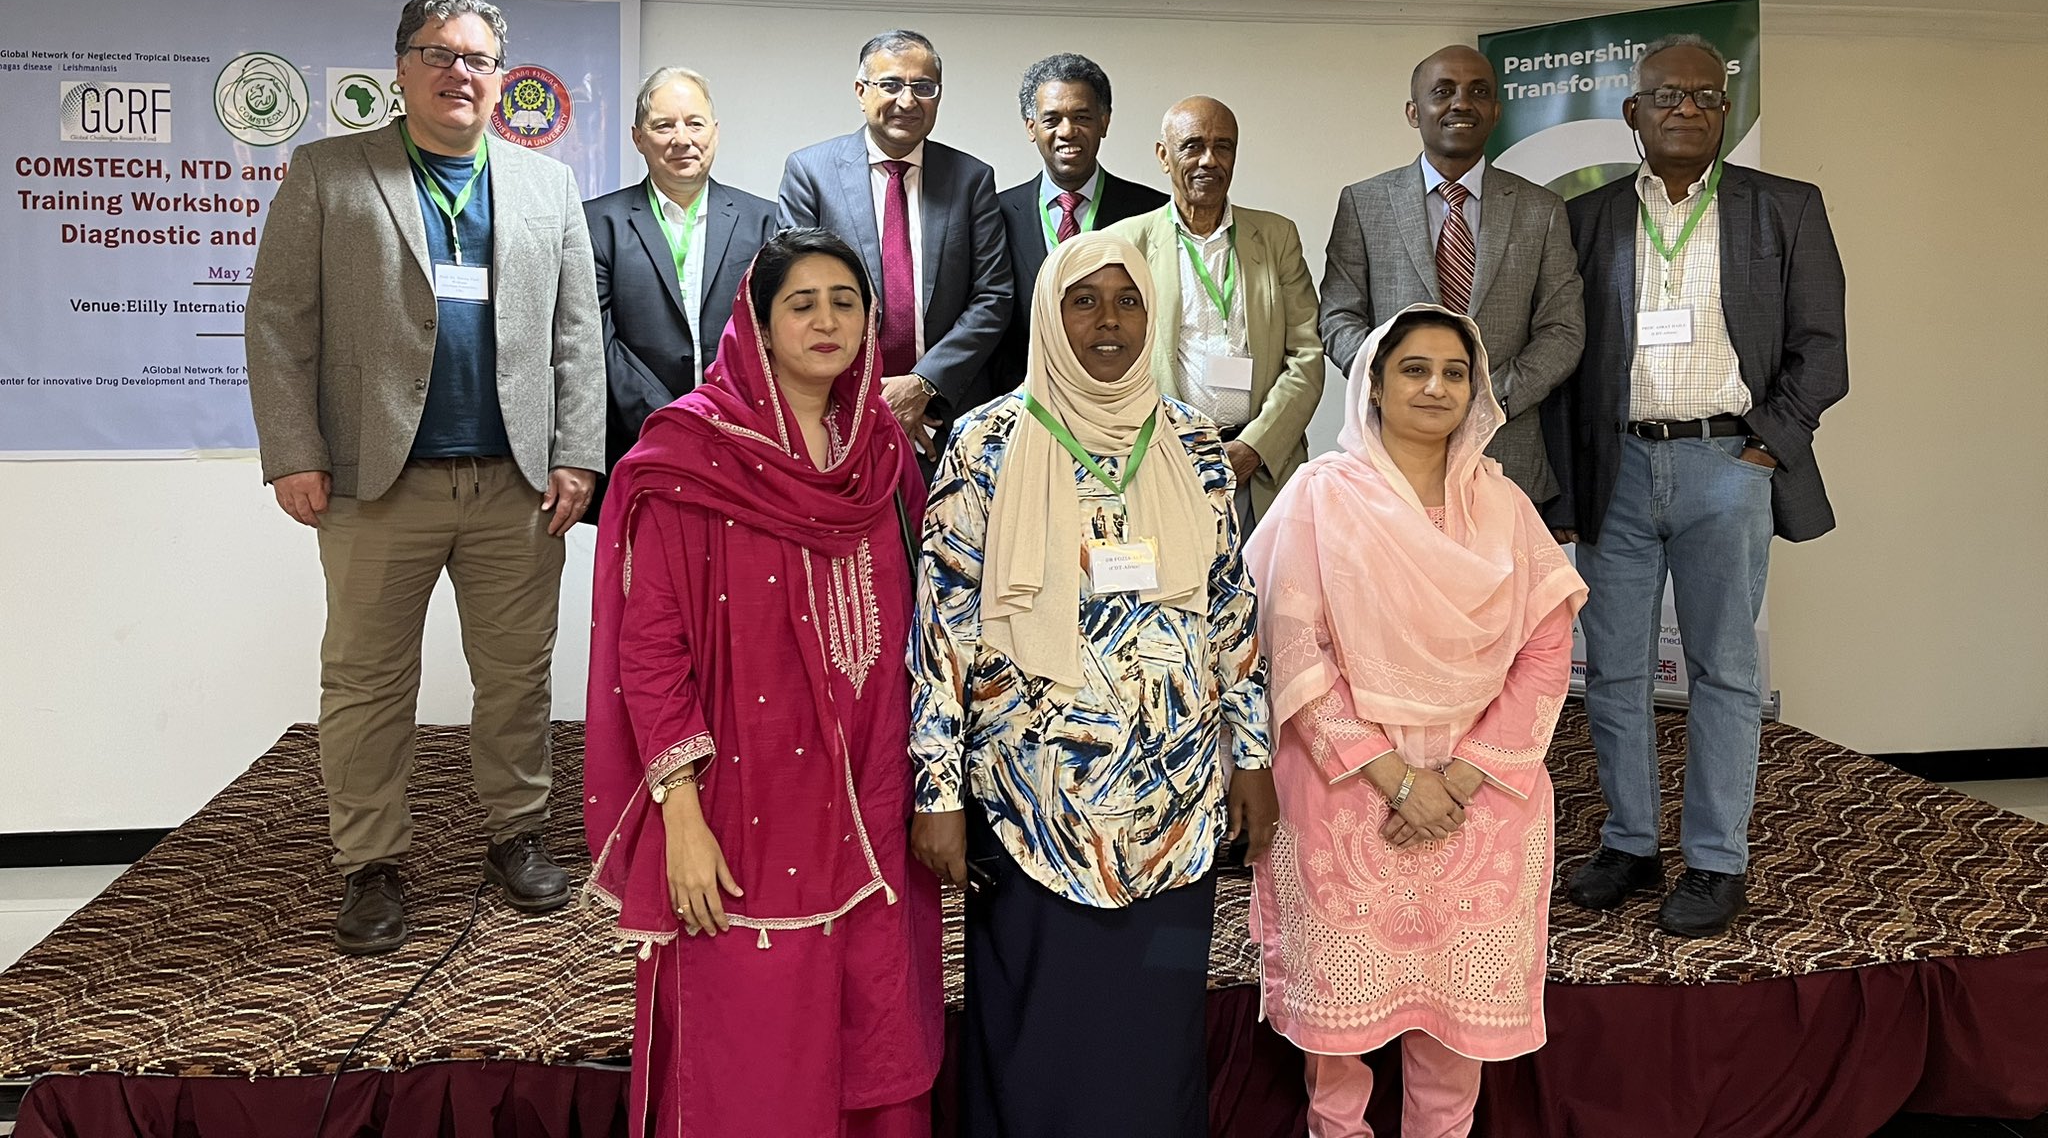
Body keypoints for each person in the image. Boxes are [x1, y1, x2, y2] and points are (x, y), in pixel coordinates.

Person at [246, 0, 604, 953]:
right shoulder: (327, 172)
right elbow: (278, 324)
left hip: (514, 483)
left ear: (499, 77)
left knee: (516, 677)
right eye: (437, 54)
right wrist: (292, 451)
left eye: (477, 58)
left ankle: (517, 836)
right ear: (400, 70)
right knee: (364, 682)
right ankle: (370, 862)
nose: (459, 72)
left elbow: (577, 333)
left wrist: (578, 452)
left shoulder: (546, 188)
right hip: (374, 483)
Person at [909, 232, 1276, 1138]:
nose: (1108, 322)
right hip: (1032, 800)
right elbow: (943, 631)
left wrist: (1254, 757)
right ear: (1048, 313)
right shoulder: (986, 442)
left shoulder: (1193, 443)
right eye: (1085, 301)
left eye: (1128, 302)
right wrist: (937, 792)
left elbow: (1232, 609)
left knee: (1152, 1035)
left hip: (1172, 795)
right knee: (1037, 1027)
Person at [585, 228, 943, 1138]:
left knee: (874, 1014)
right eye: (802, 304)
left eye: (846, 303)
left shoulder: (884, 456)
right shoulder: (687, 457)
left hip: (871, 789)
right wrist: (680, 816)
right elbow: (650, 649)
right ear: (758, 319)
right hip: (741, 804)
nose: (827, 322)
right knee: (753, 1041)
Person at [1249, 304, 1585, 1138]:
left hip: (1482, 790)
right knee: (1340, 1026)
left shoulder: (1502, 504)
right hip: (1347, 786)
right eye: (1414, 368)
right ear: (1373, 383)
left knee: (1453, 1012)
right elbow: (1291, 650)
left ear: (1477, 391)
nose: (1436, 386)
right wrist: (1394, 777)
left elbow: (1548, 645)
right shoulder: (1321, 497)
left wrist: (1463, 777)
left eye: (1454, 371)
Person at [1545, 34, 1848, 938]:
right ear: (1633, 114)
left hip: (1728, 463)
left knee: (1725, 670)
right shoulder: (1587, 218)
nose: (1685, 108)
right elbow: (1564, 356)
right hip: (1618, 471)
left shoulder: (1786, 209)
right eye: (1666, 95)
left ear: (1725, 113)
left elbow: (1823, 351)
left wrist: (1764, 448)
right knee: (1615, 669)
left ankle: (1717, 861)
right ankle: (1632, 842)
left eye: (1706, 97)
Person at [1319, 44, 1584, 503]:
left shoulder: (1542, 210)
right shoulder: (1364, 204)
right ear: (1413, 111)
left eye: (1477, 91)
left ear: (1496, 111)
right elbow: (1338, 318)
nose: (1461, 102)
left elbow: (1562, 331)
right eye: (1443, 91)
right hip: (1391, 449)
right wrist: (1397, 388)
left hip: (1506, 450)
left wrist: (1486, 399)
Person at [778, 29, 1012, 465]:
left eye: (923, 87)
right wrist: (868, 398)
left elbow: (993, 296)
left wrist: (923, 384)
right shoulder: (810, 174)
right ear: (860, 92)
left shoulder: (971, 179)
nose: (907, 101)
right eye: (890, 85)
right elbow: (799, 299)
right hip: (837, 412)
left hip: (949, 416)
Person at [1106, 96, 1324, 526]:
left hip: (1261, 469)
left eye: (1223, 146)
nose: (1209, 160)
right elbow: (1112, 359)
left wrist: (1256, 447)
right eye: (1192, 146)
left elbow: (1307, 354)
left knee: (1267, 591)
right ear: (1163, 156)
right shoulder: (1127, 243)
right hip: (1161, 462)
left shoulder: (1276, 236)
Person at [583, 66, 778, 519]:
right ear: (637, 137)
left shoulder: (765, 222)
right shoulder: (598, 223)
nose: (682, 138)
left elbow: (772, 336)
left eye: (694, 122)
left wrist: (723, 417)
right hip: (639, 444)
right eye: (663, 125)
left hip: (743, 444)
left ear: (715, 131)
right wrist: (672, 421)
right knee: (648, 584)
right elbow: (596, 339)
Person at [989, 52, 1169, 393]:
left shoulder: (1151, 212)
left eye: (1082, 116)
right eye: (1051, 119)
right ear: (1031, 127)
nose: (1067, 131)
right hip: (1023, 406)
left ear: (1104, 121)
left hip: (1121, 404)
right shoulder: (994, 215)